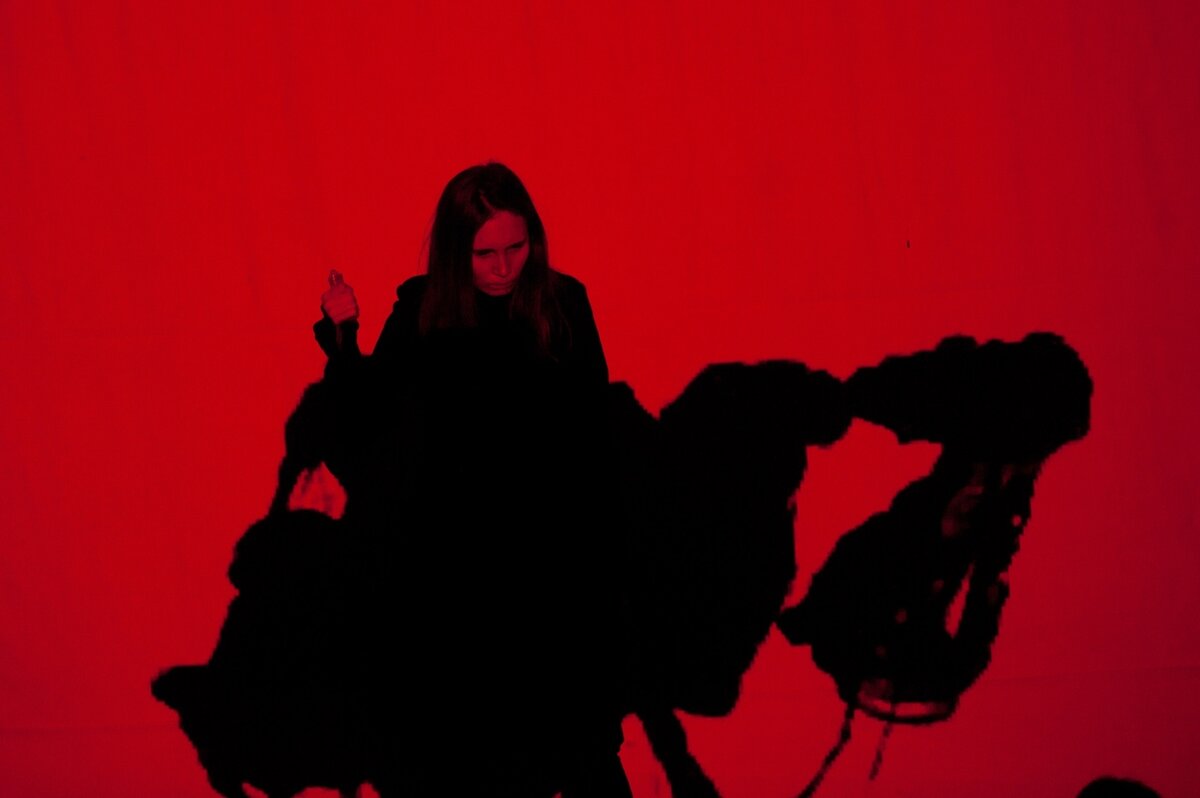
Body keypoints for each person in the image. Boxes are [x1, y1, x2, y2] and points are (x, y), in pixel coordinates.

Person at [310, 161, 629, 798]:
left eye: (517, 247)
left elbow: (596, 441)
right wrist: (343, 341)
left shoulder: (564, 304)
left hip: (549, 581)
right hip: (455, 590)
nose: (505, 267)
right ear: (458, 251)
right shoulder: (422, 314)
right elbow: (366, 433)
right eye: (486, 254)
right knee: (471, 765)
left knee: (578, 754)